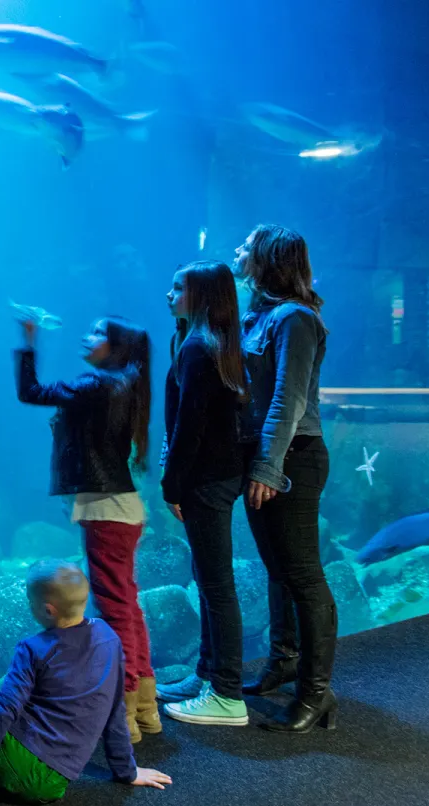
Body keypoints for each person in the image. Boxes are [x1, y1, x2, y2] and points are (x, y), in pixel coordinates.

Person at [13, 314, 160, 742]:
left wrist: (28, 343)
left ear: (115, 347)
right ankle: (145, 708)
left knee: (116, 610)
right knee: (127, 605)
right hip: (120, 507)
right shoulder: (124, 385)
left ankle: (125, 714)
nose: (87, 336)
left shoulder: (96, 385)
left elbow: (31, 392)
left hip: (106, 511)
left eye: (98, 333)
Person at [234, 225, 337, 733]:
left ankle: (316, 693)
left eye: (246, 246)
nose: (237, 252)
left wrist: (268, 466)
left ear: (268, 258)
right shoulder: (262, 315)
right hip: (270, 456)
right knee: (277, 567)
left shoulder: (295, 319)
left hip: (294, 457)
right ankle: (284, 660)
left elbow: (288, 398)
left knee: (304, 575)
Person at [0, 560, 172, 803]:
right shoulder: (108, 638)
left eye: (30, 601)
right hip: (55, 784)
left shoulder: (32, 649)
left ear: (48, 610)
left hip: (23, 766)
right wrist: (127, 771)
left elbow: (2, 711)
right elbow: (115, 709)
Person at [155, 261, 253, 725]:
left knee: (216, 587)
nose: (169, 293)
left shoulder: (198, 349)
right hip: (219, 475)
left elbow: (188, 428)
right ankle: (207, 674)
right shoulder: (213, 343)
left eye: (178, 287)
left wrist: (172, 484)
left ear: (203, 295)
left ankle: (227, 695)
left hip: (205, 480)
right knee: (209, 578)